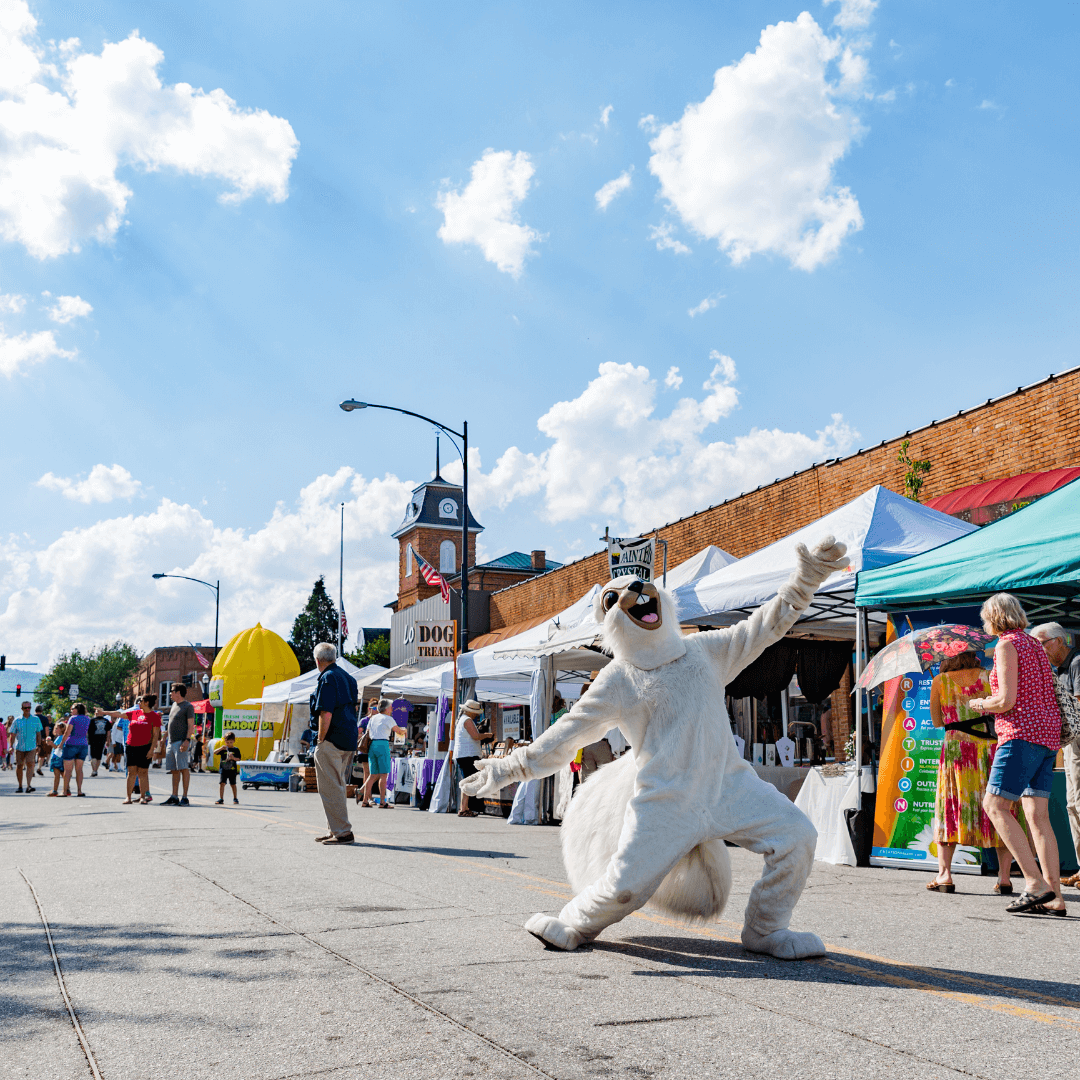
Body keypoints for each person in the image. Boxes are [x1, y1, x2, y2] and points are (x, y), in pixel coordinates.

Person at [969, 594, 1065, 915]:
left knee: (995, 806)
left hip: (1020, 735)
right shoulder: (1035, 644)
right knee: (1038, 818)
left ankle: (1034, 884)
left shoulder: (1006, 645)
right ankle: (1055, 897)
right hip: (1047, 736)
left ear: (994, 617)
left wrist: (981, 703)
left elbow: (1006, 701)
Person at [927, 651, 1015, 894]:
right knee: (1001, 809)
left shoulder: (939, 681)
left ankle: (944, 876)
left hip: (957, 750)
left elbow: (936, 721)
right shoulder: (989, 676)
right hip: (990, 749)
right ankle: (1004, 878)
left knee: (950, 807)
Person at [1031, 622, 1080, 887]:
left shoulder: (1077, 662)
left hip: (1078, 741)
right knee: (1072, 806)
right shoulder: (1060, 668)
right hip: (1072, 743)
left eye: (1043, 643)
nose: (1040, 649)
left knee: (1078, 805)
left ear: (1060, 641)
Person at [310, 642, 359, 844]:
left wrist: (320, 738)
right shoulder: (348, 678)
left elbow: (326, 711)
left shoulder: (328, 678)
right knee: (336, 784)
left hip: (331, 738)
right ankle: (335, 829)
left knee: (331, 787)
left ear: (317, 660)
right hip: (347, 737)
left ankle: (342, 831)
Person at [360, 698, 406, 810]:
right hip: (382, 745)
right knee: (383, 775)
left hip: (372, 745)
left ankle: (365, 800)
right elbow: (398, 731)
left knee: (372, 775)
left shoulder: (373, 718)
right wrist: (404, 730)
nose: (391, 709)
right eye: (390, 707)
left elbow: (368, 732)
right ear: (386, 708)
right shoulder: (388, 719)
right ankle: (382, 802)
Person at [121, 695, 161, 804]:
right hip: (131, 746)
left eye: (142, 701)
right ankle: (128, 797)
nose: (139, 702)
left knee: (143, 772)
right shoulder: (135, 713)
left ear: (147, 702)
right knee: (131, 772)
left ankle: (143, 797)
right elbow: (119, 714)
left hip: (145, 747)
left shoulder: (155, 716)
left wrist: (151, 750)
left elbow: (155, 734)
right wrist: (103, 712)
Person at [451, 699, 486, 817]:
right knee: (469, 781)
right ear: (471, 712)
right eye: (476, 712)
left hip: (464, 754)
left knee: (468, 781)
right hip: (468, 755)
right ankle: (464, 808)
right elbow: (475, 736)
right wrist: (487, 735)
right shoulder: (467, 720)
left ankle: (464, 807)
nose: (477, 715)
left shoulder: (462, 719)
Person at [162, 684, 196, 806]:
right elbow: (171, 723)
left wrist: (187, 740)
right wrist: (164, 737)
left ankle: (185, 797)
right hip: (171, 742)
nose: (170, 693)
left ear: (179, 692)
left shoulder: (188, 706)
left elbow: (191, 725)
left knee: (183, 768)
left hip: (181, 741)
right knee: (174, 770)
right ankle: (174, 796)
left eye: (172, 691)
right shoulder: (174, 705)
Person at [57, 702, 91, 797]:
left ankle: (64, 791)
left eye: (72, 709)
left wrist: (61, 744)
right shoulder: (87, 719)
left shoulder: (73, 718)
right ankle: (79, 791)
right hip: (83, 744)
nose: (71, 711)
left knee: (68, 770)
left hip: (71, 744)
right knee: (79, 769)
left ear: (77, 709)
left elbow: (67, 733)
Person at [11, 701, 43, 792]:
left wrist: (39, 744)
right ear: (22, 709)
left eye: (29, 707)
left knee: (30, 763)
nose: (27, 709)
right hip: (19, 747)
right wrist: (11, 746)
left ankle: (28, 785)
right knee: (19, 765)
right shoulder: (17, 720)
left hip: (31, 747)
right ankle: (20, 786)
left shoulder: (35, 719)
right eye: (25, 708)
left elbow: (38, 733)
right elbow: (12, 734)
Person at [215, 733, 241, 803]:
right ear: (225, 741)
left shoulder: (236, 749)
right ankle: (221, 798)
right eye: (227, 742)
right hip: (224, 769)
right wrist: (221, 748)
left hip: (232, 769)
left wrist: (233, 758)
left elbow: (239, 759)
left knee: (233, 784)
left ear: (234, 741)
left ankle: (235, 798)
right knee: (222, 783)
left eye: (231, 742)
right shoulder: (223, 749)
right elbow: (215, 752)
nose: (229, 744)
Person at [87, 709, 112, 777]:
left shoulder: (92, 720)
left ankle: (94, 770)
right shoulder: (106, 721)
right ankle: (95, 770)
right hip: (102, 740)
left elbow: (87, 730)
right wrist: (107, 740)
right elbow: (108, 732)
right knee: (99, 757)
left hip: (92, 741)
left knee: (93, 756)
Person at [47, 720, 66, 795]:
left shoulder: (60, 738)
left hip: (57, 758)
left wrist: (52, 744)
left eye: (57, 728)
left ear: (61, 729)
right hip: (60, 758)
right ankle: (67, 789)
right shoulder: (60, 737)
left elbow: (58, 748)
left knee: (57, 775)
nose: (55, 729)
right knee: (63, 774)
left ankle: (55, 790)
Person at [35, 706, 50, 776]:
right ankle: (39, 768)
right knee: (42, 755)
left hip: (32, 738)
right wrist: (47, 737)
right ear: (42, 711)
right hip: (42, 738)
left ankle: (31, 770)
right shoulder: (44, 718)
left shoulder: (32, 718)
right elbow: (47, 729)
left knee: (31, 754)